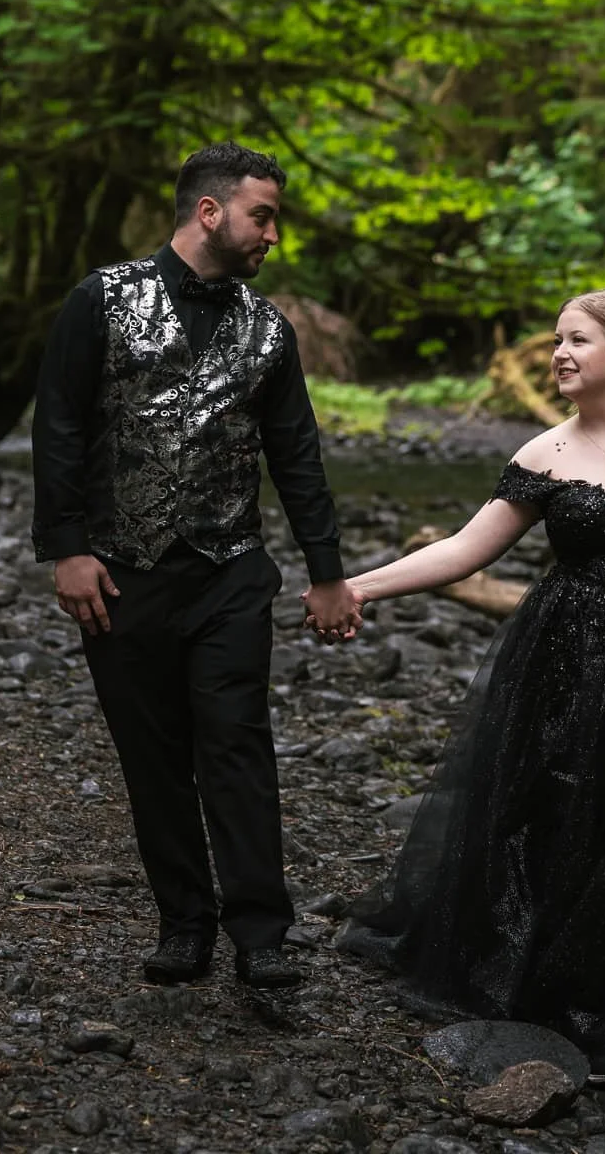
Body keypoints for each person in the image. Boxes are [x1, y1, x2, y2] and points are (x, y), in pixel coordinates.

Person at [338, 289, 605, 1075]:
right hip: (567, 653)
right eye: (556, 340)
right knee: (558, 810)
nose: (559, 353)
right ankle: (558, 983)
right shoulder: (542, 455)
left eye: (576, 340)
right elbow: (464, 551)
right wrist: (358, 586)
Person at [33, 142, 363, 991]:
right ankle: (185, 924)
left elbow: (296, 455)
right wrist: (67, 549)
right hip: (121, 573)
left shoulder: (269, 328)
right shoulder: (101, 299)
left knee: (237, 746)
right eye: (264, 216)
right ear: (210, 212)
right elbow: (59, 425)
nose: (273, 235)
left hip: (230, 571)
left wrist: (327, 572)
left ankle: (261, 933)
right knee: (152, 758)